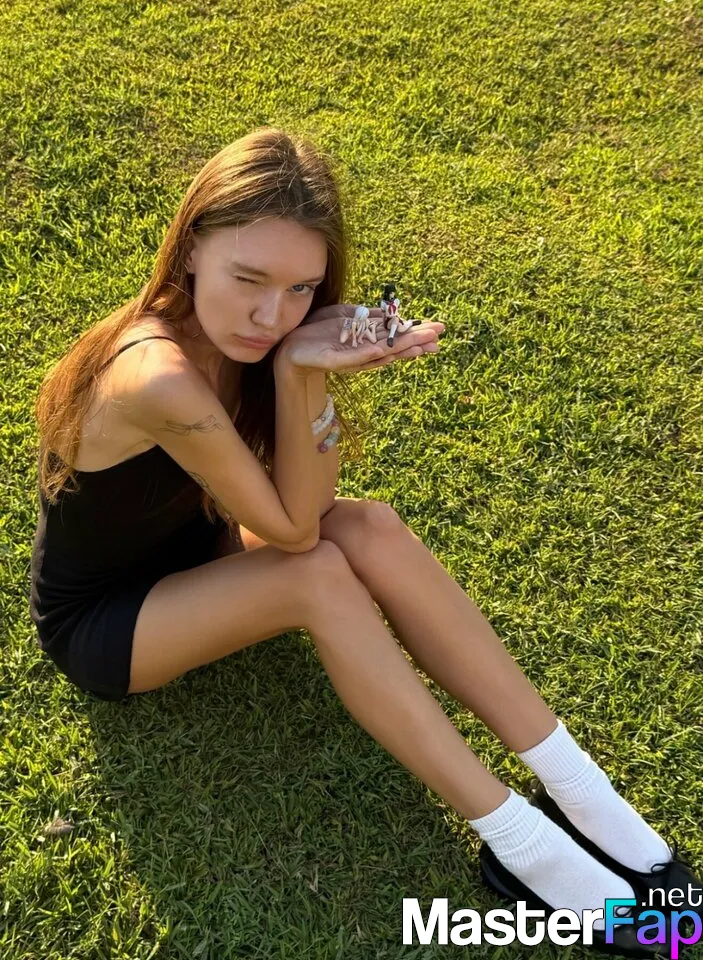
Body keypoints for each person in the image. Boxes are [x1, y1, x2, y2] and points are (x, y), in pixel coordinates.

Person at [29, 126, 700, 955]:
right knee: (314, 573)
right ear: (192, 246)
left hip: (200, 554)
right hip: (108, 622)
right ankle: (523, 848)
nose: (272, 315)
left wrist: (297, 363)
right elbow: (293, 531)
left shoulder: (245, 333)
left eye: (301, 289)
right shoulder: (157, 375)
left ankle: (580, 790)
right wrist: (299, 367)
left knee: (370, 526)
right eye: (248, 279)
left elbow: (310, 510)